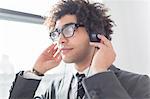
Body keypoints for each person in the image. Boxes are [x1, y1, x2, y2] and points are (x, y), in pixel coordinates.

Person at [9, 0, 150, 99]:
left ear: (95, 34)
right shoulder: (54, 89)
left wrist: (99, 74)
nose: (61, 39)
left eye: (69, 29)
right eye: (57, 33)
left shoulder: (139, 84)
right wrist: (36, 72)